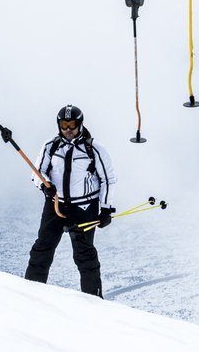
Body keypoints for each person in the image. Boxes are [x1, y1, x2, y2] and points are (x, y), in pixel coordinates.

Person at [24, 104, 117, 297]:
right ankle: (30, 294)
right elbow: (37, 172)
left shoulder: (93, 148)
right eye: (64, 125)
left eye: (72, 125)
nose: (68, 130)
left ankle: (94, 300)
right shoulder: (51, 145)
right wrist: (45, 186)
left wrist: (106, 209)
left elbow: (108, 179)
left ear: (80, 125)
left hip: (84, 208)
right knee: (42, 248)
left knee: (84, 255)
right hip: (56, 205)